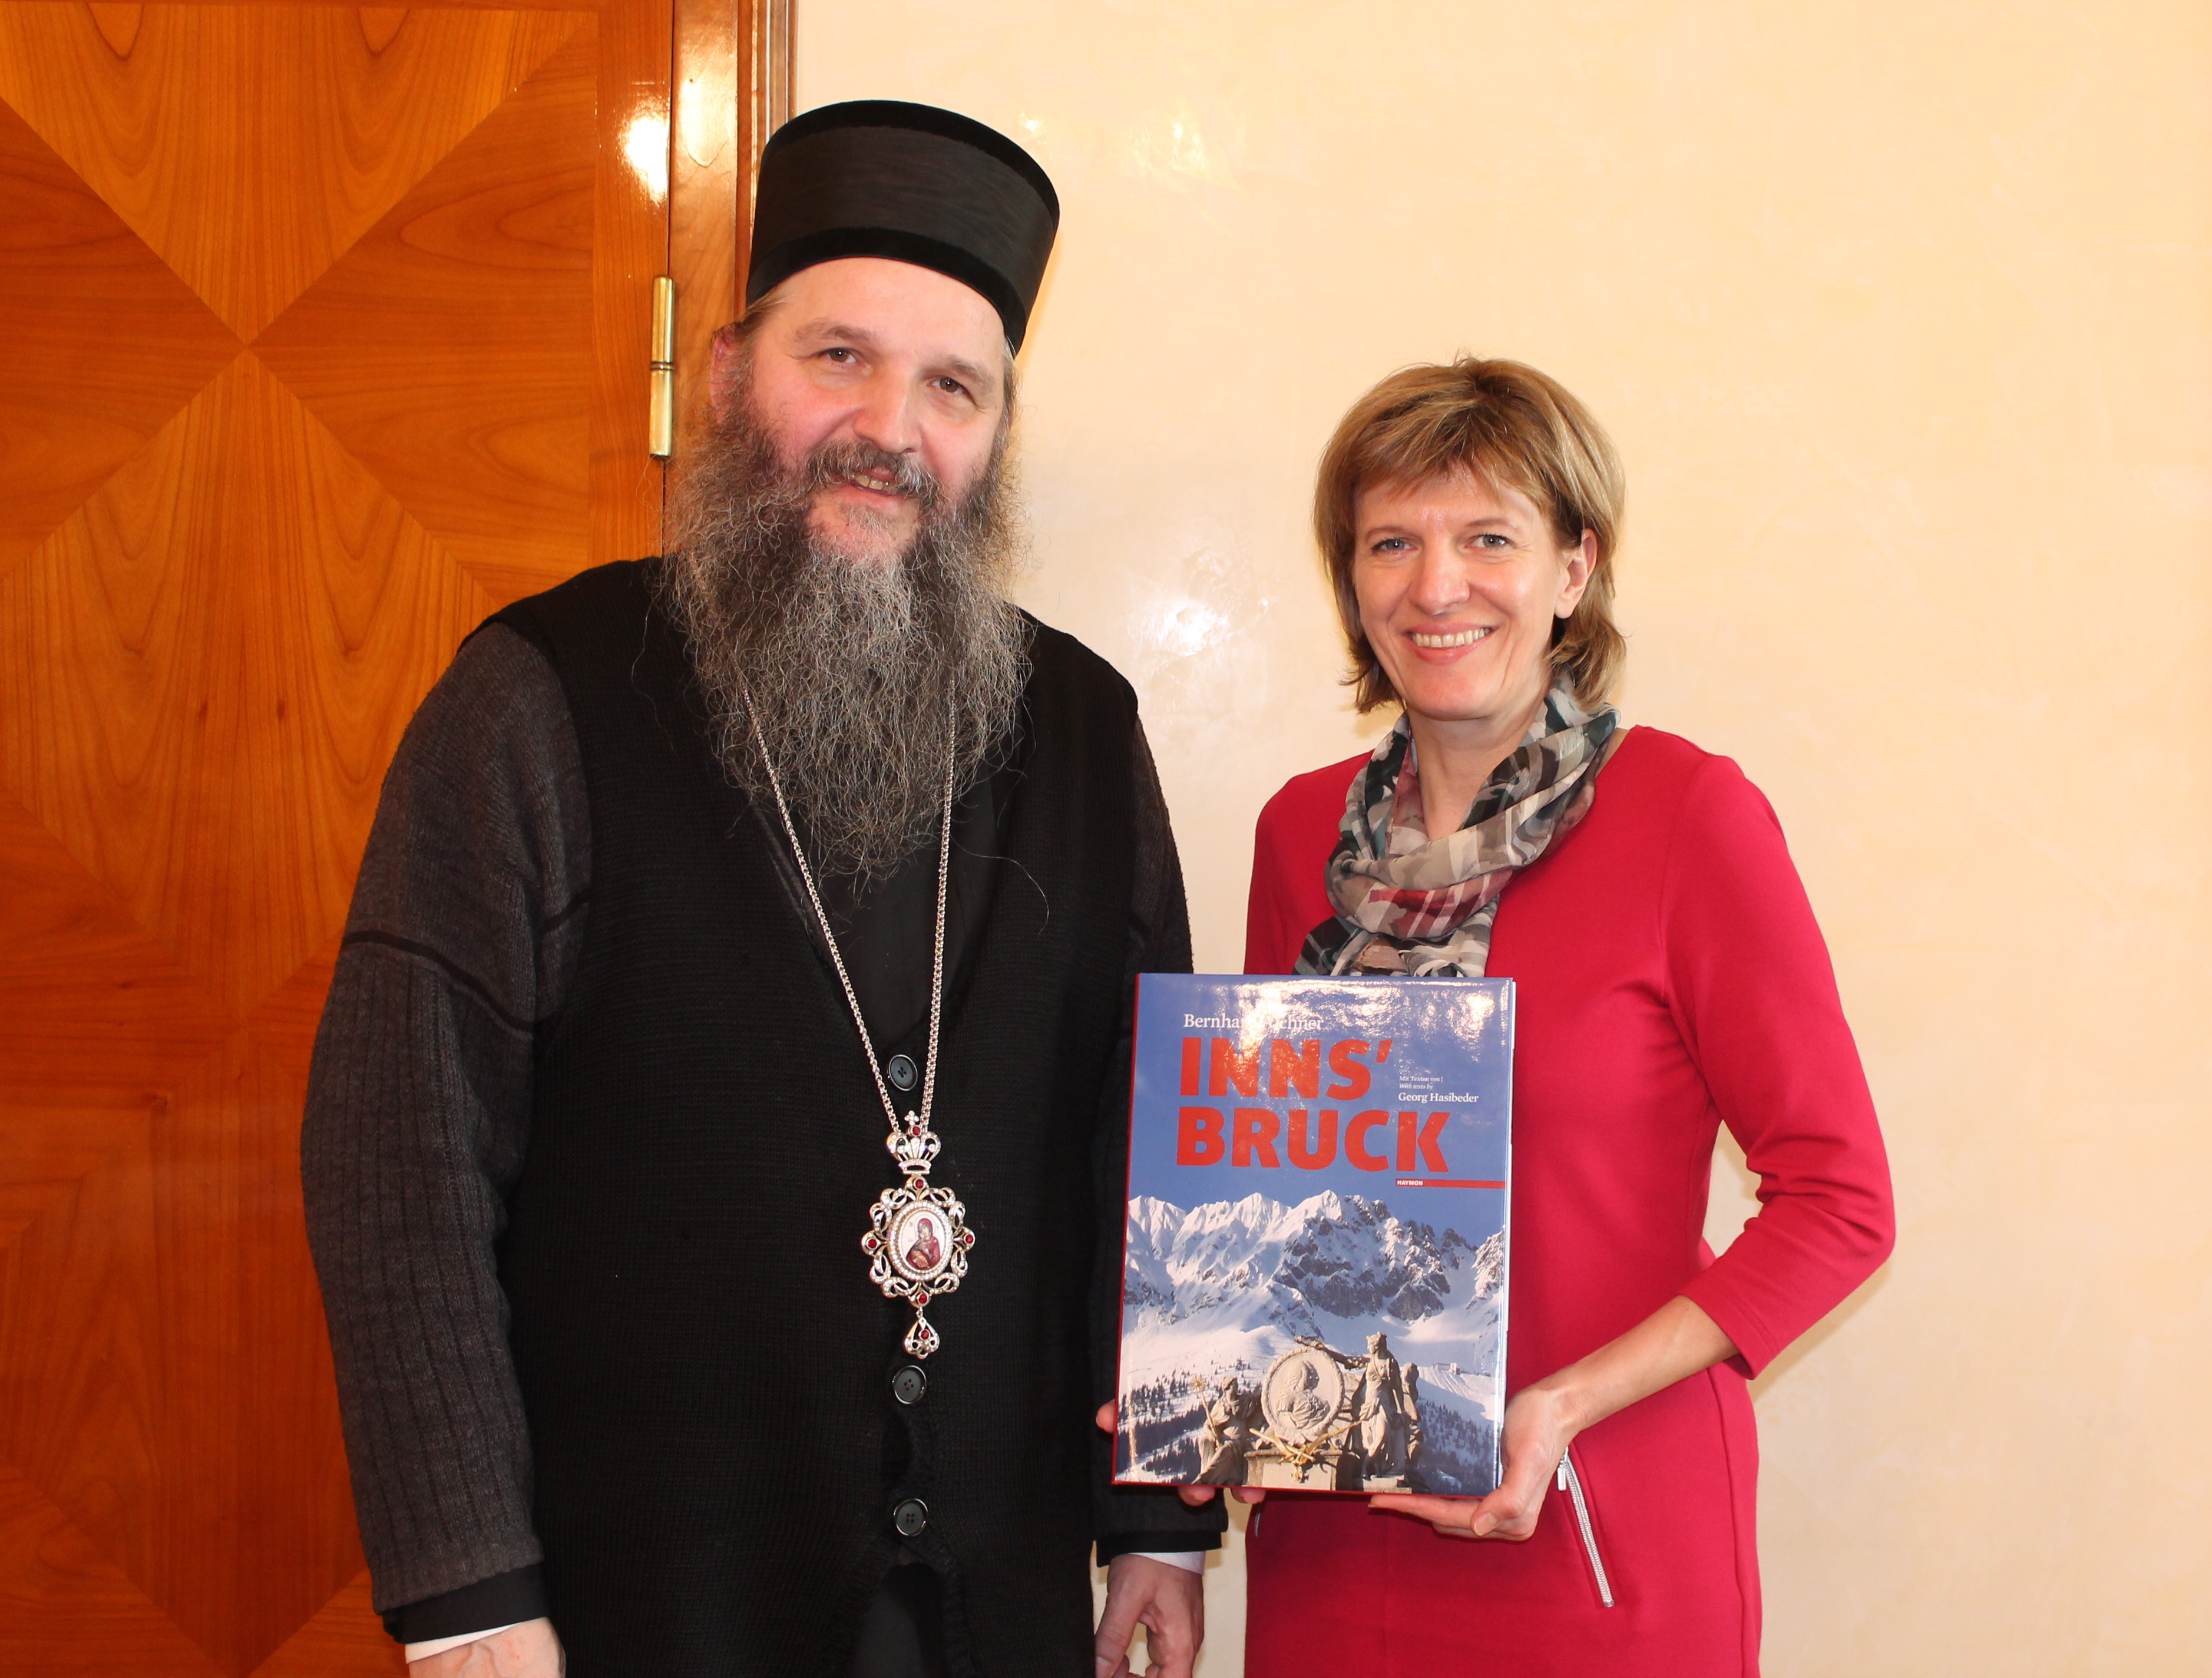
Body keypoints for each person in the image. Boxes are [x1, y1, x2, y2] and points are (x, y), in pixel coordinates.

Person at [300, 101, 1221, 1678]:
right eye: (838, 358)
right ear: (730, 375)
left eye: (953, 386)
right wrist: (465, 1602)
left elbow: (1154, 1150)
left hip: (993, 1605)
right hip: (638, 1601)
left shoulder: (1082, 726)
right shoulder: (537, 696)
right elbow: (401, 1165)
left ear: (997, 431)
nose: (892, 429)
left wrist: (1154, 1519)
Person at [1225, 357, 1894, 1674]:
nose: (1437, 585)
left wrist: (1565, 1403)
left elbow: (1840, 1201)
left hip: (1599, 1527)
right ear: (1351, 582)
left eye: (1489, 538)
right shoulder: (1300, 832)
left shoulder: (1688, 817)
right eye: (1391, 543)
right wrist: (1204, 1375)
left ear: (1574, 570)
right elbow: (1278, 1178)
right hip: (1337, 1542)